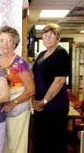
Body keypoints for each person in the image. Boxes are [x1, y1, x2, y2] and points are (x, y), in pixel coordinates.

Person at [0, 25, 35, 153]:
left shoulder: (20, 62)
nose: (5, 44)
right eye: (2, 40)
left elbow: (31, 90)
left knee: (17, 147)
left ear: (15, 42)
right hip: (0, 110)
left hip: (18, 109)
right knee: (3, 146)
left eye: (9, 40)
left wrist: (13, 103)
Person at [32, 23, 70, 153]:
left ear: (58, 38)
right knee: (41, 141)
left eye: (52, 35)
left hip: (55, 106)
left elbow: (59, 81)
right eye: (45, 35)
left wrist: (45, 101)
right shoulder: (42, 54)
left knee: (54, 143)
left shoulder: (61, 53)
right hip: (40, 106)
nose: (47, 38)